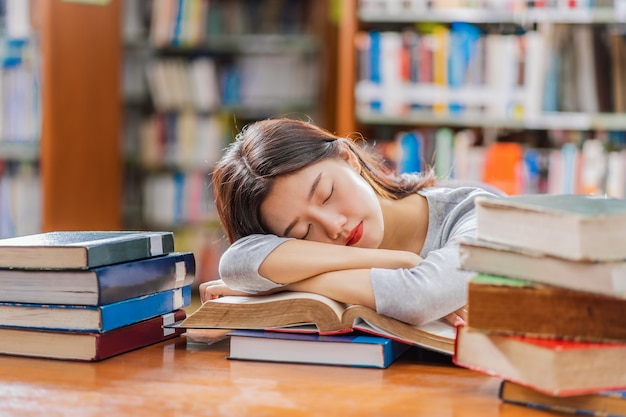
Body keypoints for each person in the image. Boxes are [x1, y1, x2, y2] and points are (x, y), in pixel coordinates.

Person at [200, 118, 502, 327]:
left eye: (326, 194)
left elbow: (418, 297)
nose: (334, 226)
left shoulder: (477, 210)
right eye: (303, 233)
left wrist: (278, 286)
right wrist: (395, 261)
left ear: (348, 158)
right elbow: (237, 262)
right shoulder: (358, 243)